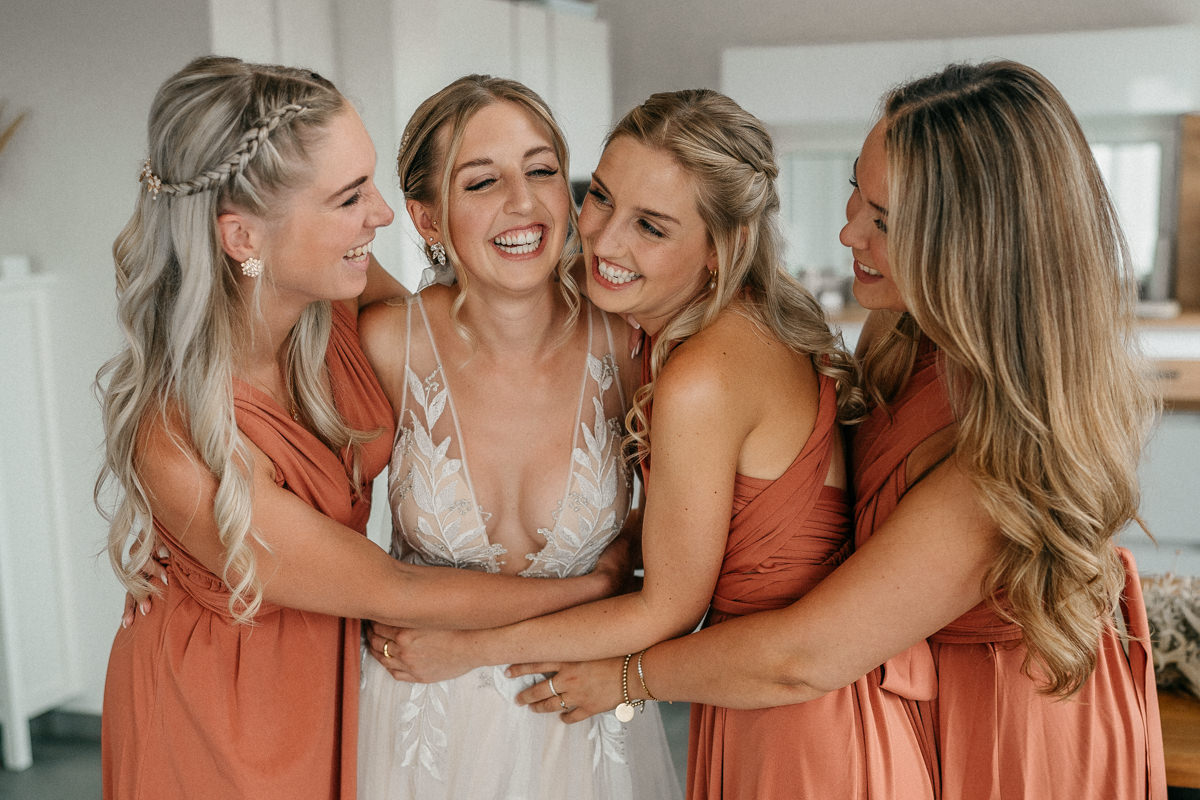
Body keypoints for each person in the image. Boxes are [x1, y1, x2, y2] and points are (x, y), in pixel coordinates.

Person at [508, 61, 1168, 799]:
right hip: (884, 699)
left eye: (884, 221)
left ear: (972, 250)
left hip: (1009, 726)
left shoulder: (1007, 457)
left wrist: (624, 678)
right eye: (860, 184)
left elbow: (806, 655)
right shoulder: (910, 329)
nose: (848, 226)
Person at [368, 89, 941, 798]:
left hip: (800, 724)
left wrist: (466, 650)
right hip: (746, 696)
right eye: (601, 199)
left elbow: (666, 608)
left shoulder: (700, 373)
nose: (605, 242)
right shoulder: (698, 327)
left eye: (652, 227)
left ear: (719, 246)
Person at [97, 56, 627, 800]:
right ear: (244, 237)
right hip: (228, 709)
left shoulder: (335, 297)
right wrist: (595, 586)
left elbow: (456, 335)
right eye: (350, 198)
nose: (382, 214)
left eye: (373, 183)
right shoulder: (179, 434)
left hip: (346, 672)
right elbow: (393, 587)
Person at [354, 74, 680, 800]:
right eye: (482, 182)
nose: (524, 202)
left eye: (541, 171)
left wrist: (618, 560)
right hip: (420, 724)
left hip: (581, 717)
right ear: (427, 218)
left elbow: (676, 521)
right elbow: (317, 522)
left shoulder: (628, 343)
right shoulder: (386, 344)